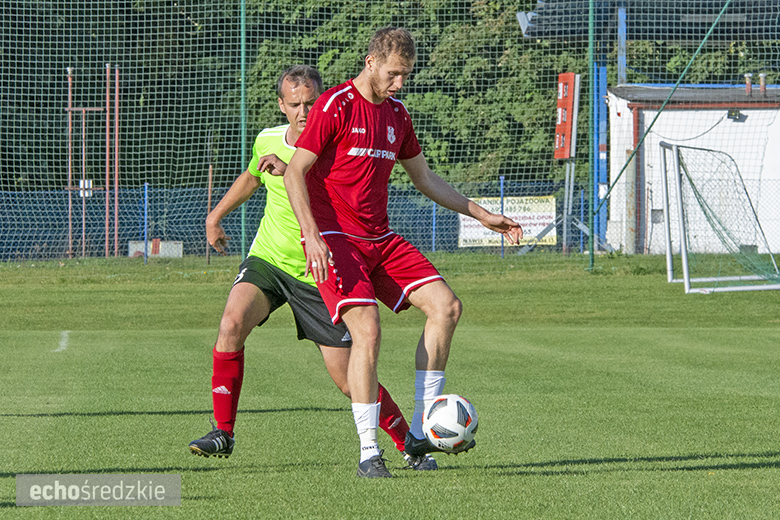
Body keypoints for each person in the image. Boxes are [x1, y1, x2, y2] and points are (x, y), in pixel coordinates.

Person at [283, 27, 523, 478]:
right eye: (394, 74)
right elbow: (296, 172)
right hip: (336, 239)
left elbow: (425, 180)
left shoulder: (397, 115)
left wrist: (482, 215)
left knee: (446, 307)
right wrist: (311, 233)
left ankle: (419, 432)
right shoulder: (335, 105)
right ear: (371, 61)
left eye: (405, 76)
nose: (399, 83)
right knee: (368, 330)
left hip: (380, 238)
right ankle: (368, 451)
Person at [188, 65, 437, 471]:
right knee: (231, 323)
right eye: (295, 104)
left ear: (322, 102)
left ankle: (407, 441)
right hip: (270, 260)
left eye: (311, 102)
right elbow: (251, 178)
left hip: (318, 273)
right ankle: (223, 431)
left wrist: (290, 171)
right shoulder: (267, 139)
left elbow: (327, 185)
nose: (304, 111)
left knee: (347, 377)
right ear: (281, 105)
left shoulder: (336, 138)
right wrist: (215, 217)